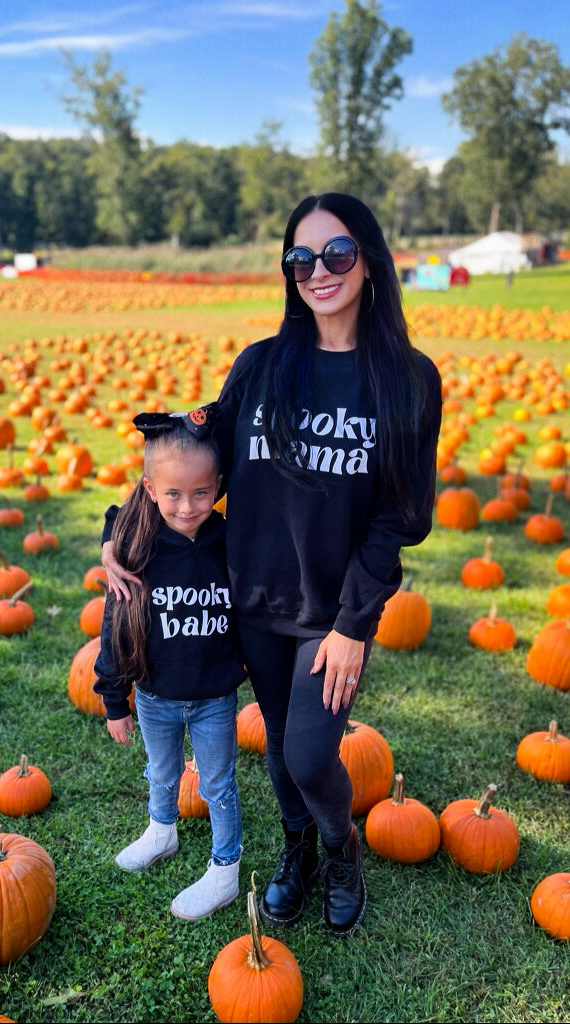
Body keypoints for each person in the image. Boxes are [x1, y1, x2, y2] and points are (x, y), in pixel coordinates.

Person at [103, 193, 442, 938]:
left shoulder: (407, 379)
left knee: (311, 753)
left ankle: (340, 844)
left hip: (332, 611)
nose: (317, 270)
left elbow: (396, 520)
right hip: (252, 600)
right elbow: (189, 459)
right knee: (282, 754)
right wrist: (117, 531)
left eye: (337, 253)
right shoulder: (260, 367)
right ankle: (297, 854)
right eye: (300, 258)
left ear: (370, 259)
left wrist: (356, 625)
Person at [93, 405, 247, 921]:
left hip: (214, 698)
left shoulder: (229, 538)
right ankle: (162, 830)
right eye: (173, 494)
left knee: (217, 783)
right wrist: (115, 700)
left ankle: (225, 866)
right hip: (155, 697)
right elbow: (114, 628)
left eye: (201, 493)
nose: (187, 507)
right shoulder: (137, 546)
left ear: (219, 486)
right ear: (151, 488)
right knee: (161, 772)